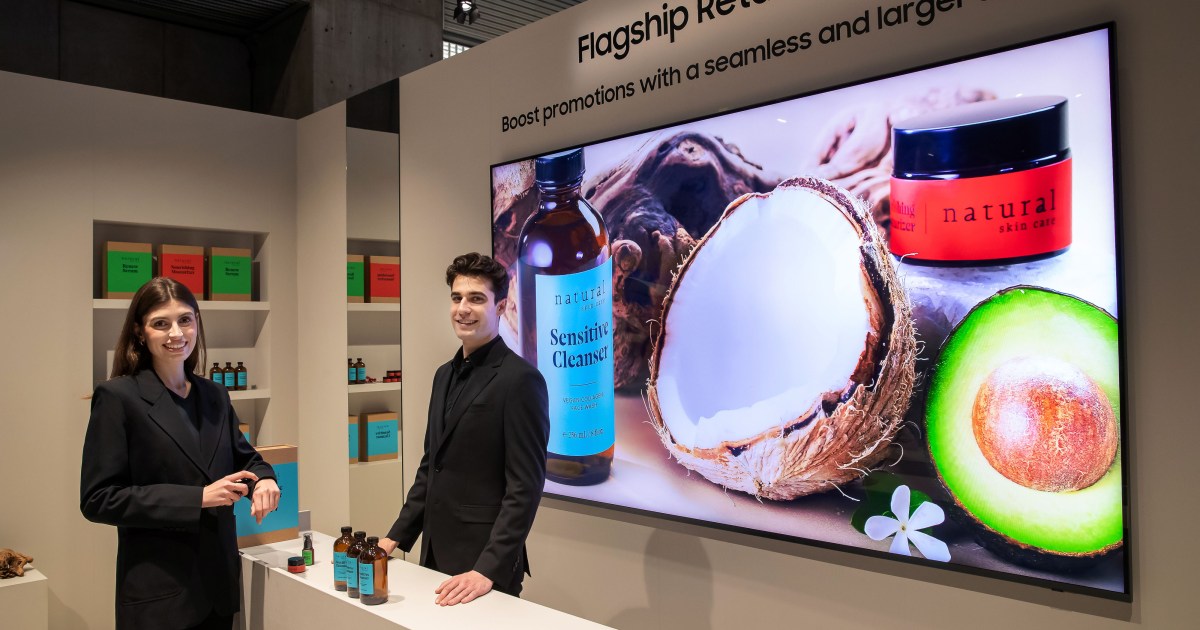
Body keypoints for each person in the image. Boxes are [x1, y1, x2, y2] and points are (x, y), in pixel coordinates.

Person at [80, 277, 280, 630]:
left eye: (185, 320)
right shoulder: (117, 398)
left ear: (197, 323)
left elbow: (245, 458)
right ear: (140, 332)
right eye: (161, 323)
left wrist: (264, 479)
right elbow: (99, 499)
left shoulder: (215, 394)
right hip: (159, 597)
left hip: (218, 589)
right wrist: (197, 498)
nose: (176, 333)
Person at [379, 252, 549, 605]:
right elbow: (432, 467)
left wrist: (487, 569)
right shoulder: (443, 375)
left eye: (476, 299)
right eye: (456, 298)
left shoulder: (521, 380)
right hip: (435, 552)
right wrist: (395, 537)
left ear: (501, 306)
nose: (462, 309)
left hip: (483, 566)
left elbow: (525, 487)